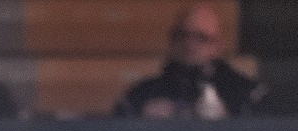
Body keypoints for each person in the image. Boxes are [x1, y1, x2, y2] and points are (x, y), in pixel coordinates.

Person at [113, 2, 266, 119]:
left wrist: (227, 123)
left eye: (201, 38)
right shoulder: (141, 95)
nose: (190, 44)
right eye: (182, 35)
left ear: (218, 45)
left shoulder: (248, 94)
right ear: (171, 40)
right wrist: (143, 125)